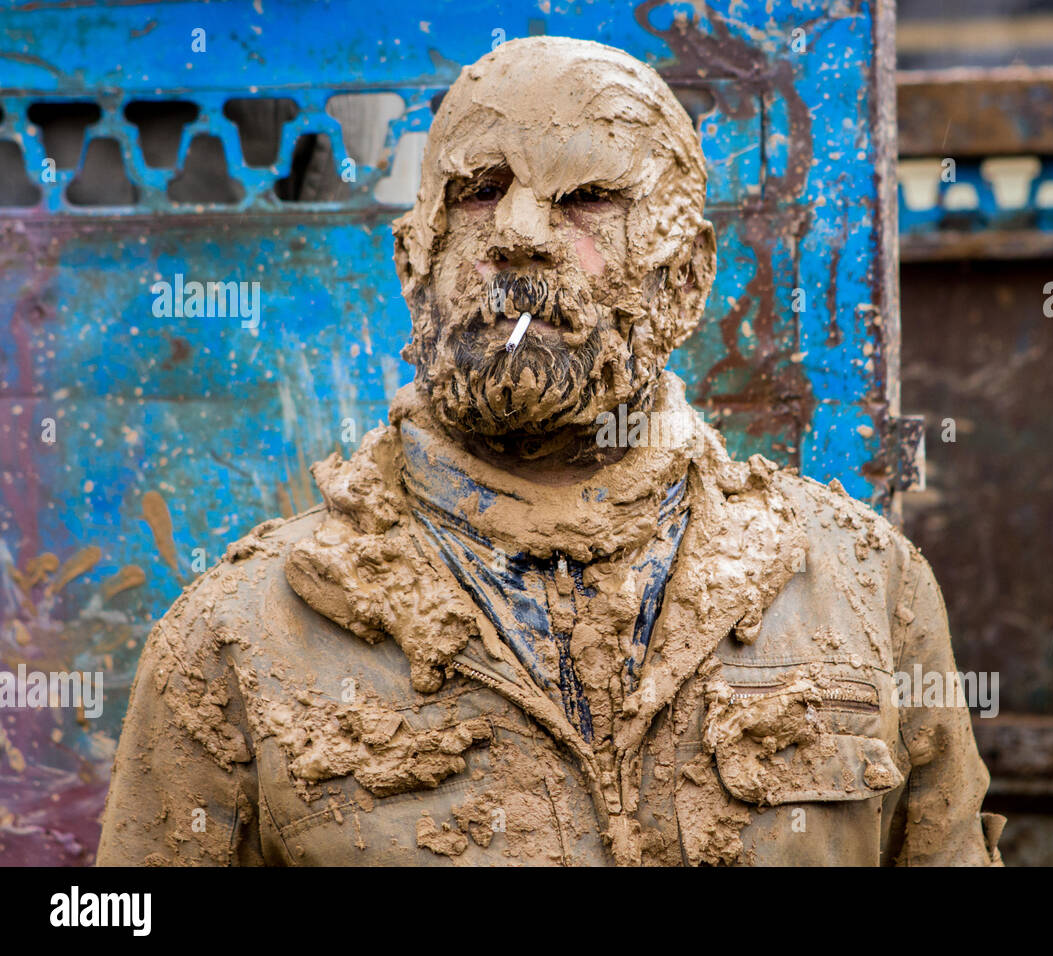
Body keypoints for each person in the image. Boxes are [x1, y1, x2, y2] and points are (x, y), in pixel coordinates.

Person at [97, 36, 1001, 866]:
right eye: (480, 190)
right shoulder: (235, 639)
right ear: (416, 260)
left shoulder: (865, 587)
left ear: (686, 276)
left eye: (586, 199)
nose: (518, 233)